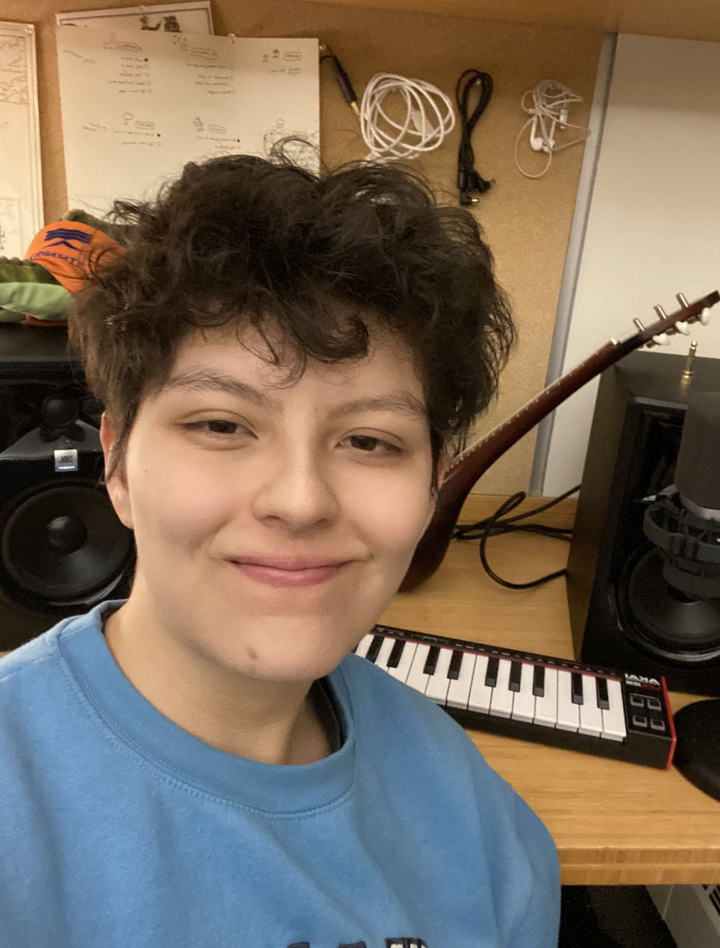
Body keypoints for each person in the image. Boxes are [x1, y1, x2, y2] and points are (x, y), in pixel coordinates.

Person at [0, 150, 560, 947]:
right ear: (117, 465)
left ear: (434, 485)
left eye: (369, 441)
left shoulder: (478, 821)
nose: (300, 501)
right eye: (221, 425)